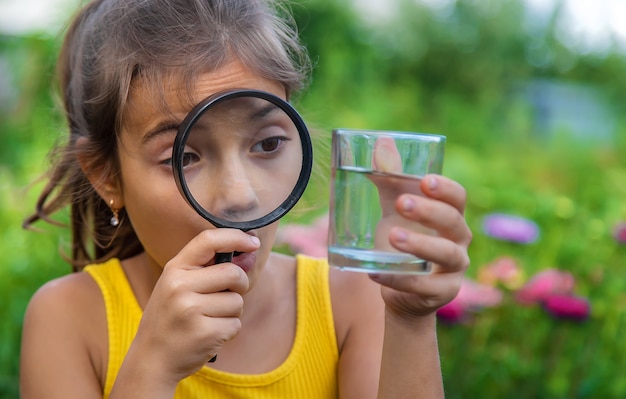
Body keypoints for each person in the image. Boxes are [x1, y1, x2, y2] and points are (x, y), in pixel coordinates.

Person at [19, 0, 472, 398]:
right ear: (107, 177)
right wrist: (152, 368)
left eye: (268, 144)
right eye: (187, 156)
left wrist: (410, 321)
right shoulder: (70, 319)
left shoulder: (354, 300)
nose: (239, 196)